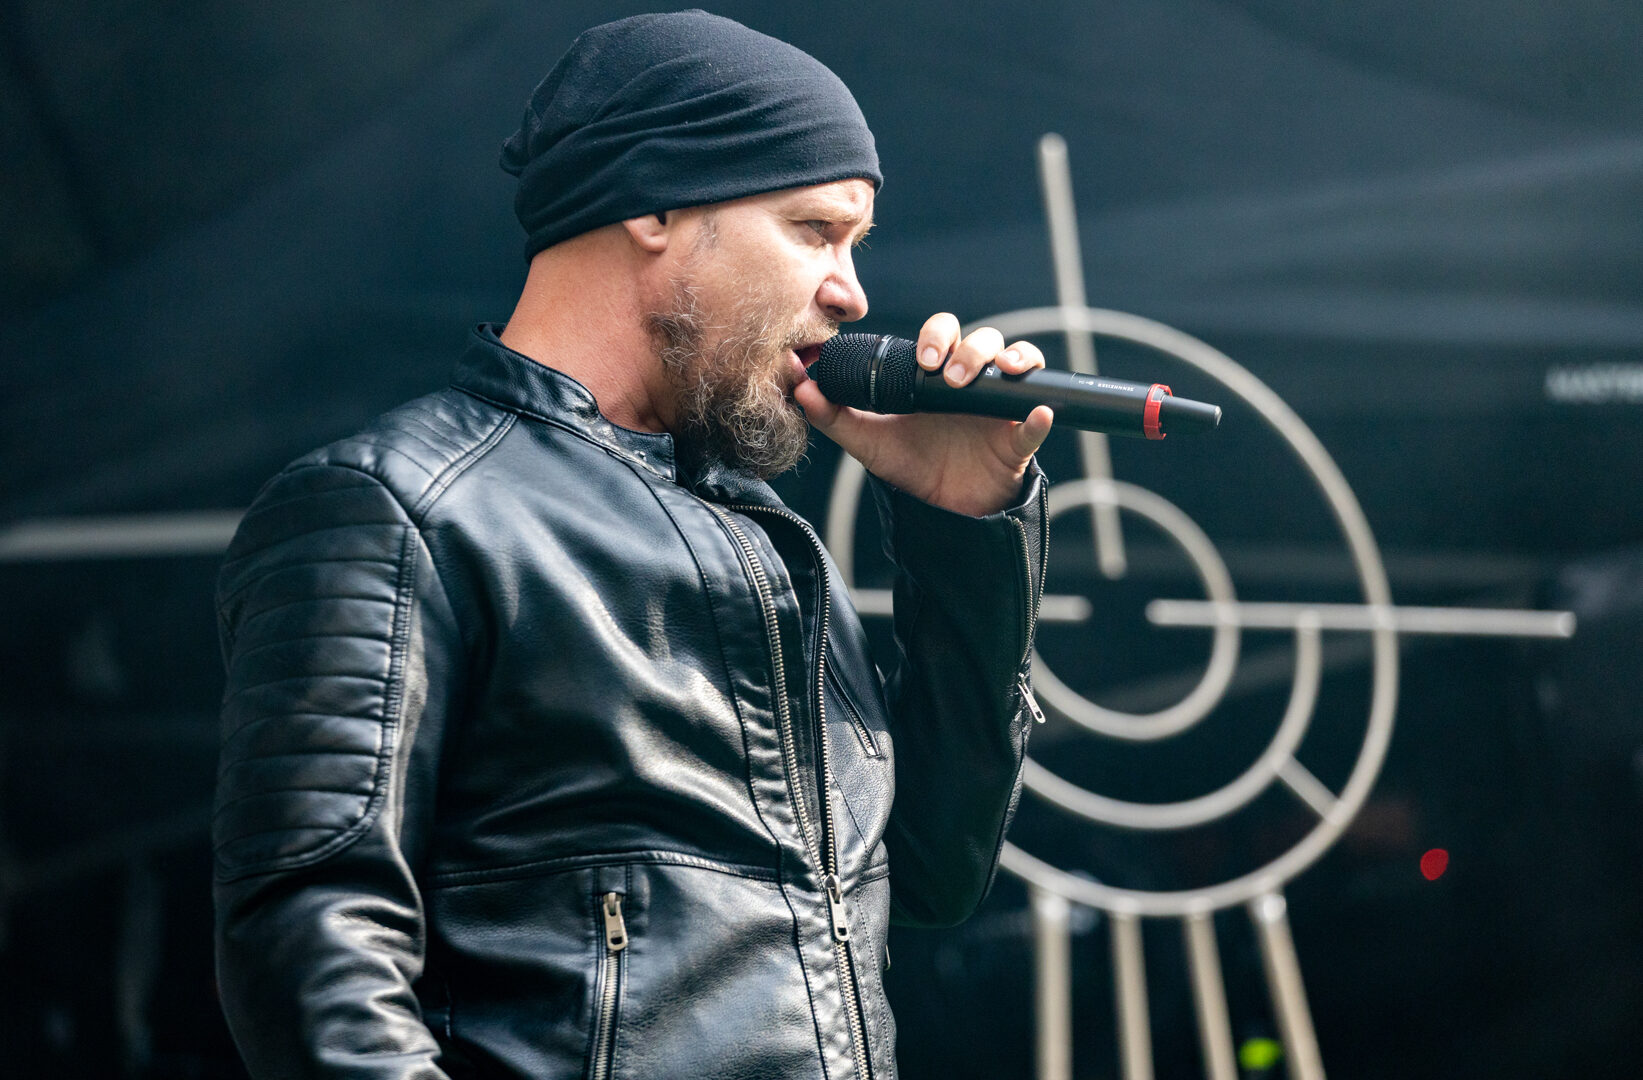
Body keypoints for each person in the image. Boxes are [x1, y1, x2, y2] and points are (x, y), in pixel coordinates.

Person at [211, 12, 1052, 1079]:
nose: (851, 292)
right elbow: (313, 958)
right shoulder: (398, 508)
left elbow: (933, 872)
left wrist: (963, 526)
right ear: (655, 207)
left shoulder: (769, 539)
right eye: (814, 230)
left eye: (855, 244)